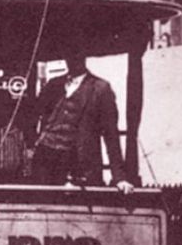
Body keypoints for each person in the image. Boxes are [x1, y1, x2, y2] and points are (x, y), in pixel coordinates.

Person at [33, 53, 134, 193]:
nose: (72, 58)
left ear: (84, 56)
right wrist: (32, 145)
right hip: (46, 165)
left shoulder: (100, 88)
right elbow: (33, 113)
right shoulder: (53, 85)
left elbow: (111, 135)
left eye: (77, 52)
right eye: (69, 52)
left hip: (81, 168)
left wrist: (119, 177)